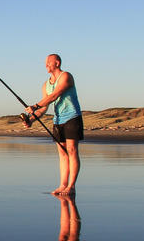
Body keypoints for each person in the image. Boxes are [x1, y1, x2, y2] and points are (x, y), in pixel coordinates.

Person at [26, 54, 84, 195]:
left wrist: (34, 105)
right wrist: (31, 120)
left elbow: (54, 96)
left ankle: (71, 186)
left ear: (57, 63)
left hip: (72, 117)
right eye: (45, 63)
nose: (46, 65)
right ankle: (62, 185)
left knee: (71, 151)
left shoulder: (66, 77)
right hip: (58, 120)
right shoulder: (46, 85)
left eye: (48, 63)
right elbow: (44, 108)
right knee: (63, 154)